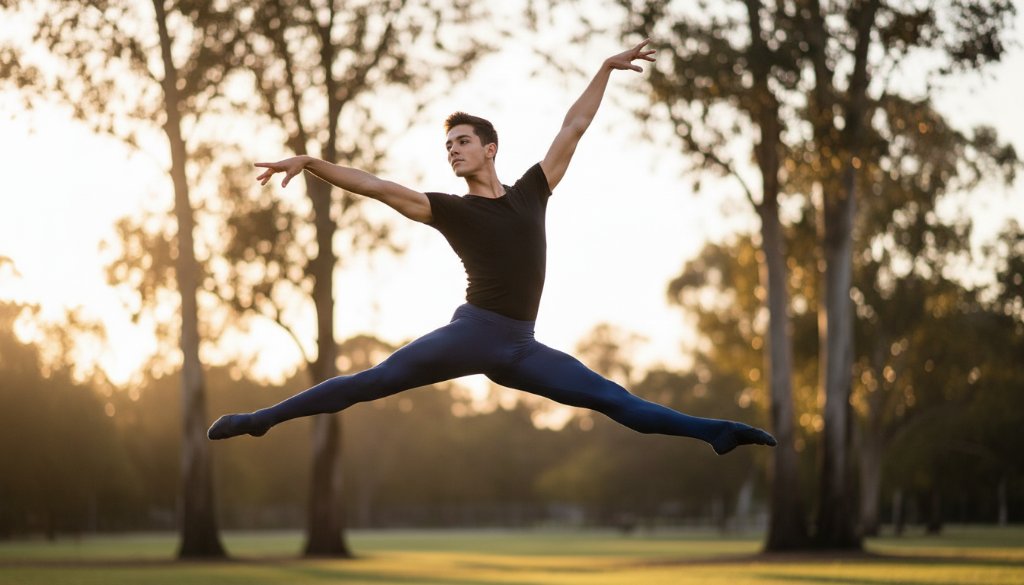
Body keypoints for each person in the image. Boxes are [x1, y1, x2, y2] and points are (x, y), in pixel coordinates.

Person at [208, 40, 777, 456]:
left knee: (615, 400)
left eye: (462, 142)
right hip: (472, 331)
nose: (452, 151)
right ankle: (260, 419)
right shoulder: (452, 210)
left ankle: (715, 432)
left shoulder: (533, 191)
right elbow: (379, 187)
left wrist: (604, 68)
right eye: (447, 145)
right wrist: (311, 163)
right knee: (371, 383)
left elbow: (574, 126)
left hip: (522, 348)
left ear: (490, 148)